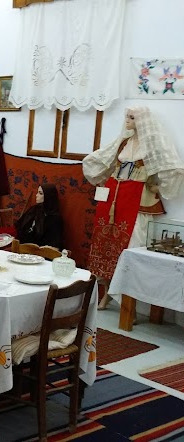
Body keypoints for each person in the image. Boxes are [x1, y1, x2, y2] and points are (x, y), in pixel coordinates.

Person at [83, 106, 184, 308]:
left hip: (137, 200)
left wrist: (158, 185)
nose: (127, 121)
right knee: (105, 244)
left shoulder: (153, 145)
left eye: (131, 117)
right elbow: (101, 161)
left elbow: (172, 167)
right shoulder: (123, 142)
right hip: (114, 197)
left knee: (131, 245)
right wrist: (101, 178)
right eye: (126, 117)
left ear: (142, 120)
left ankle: (129, 304)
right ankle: (107, 292)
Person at [14, 184, 64, 250]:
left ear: (48, 196)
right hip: (23, 247)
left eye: (40, 193)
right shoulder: (34, 210)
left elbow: (54, 244)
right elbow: (20, 226)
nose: (36, 195)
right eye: (37, 192)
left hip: (40, 251)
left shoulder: (55, 219)